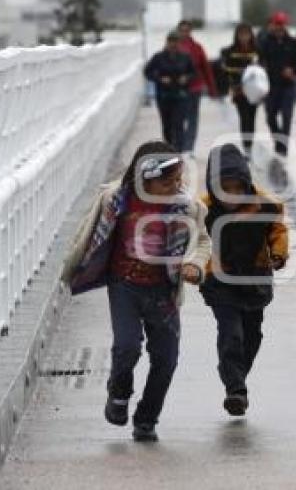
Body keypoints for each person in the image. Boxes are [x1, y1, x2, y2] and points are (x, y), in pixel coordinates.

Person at [61, 141, 210, 442]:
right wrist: (74, 266)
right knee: (127, 345)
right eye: (167, 181)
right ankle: (119, 392)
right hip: (124, 286)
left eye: (178, 179)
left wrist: (195, 265)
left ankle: (147, 418)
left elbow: (203, 242)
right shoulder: (114, 201)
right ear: (145, 178)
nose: (175, 186)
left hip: (163, 291)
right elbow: (86, 234)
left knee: (166, 358)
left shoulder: (186, 208)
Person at [199, 143, 288, 416]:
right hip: (219, 279)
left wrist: (278, 253)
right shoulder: (202, 209)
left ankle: (233, 373)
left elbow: (277, 230)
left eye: (237, 187)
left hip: (255, 279)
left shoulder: (266, 204)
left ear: (246, 183)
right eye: (224, 188)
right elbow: (192, 239)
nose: (232, 195)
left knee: (252, 335)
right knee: (231, 334)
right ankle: (236, 389)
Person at [257, 11, 296, 156]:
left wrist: (294, 71)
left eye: (281, 24)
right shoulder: (265, 43)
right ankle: (277, 138)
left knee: (286, 115)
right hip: (271, 86)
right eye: (277, 24)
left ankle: (283, 145)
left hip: (287, 86)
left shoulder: (293, 43)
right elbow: (259, 61)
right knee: (270, 116)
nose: (279, 27)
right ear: (273, 25)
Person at [144, 31, 195, 151]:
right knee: (167, 125)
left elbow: (194, 73)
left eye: (175, 41)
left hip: (181, 95)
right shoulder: (158, 57)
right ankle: (168, 148)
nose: (173, 44)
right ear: (167, 42)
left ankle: (179, 151)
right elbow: (147, 72)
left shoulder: (185, 57)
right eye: (171, 41)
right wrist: (160, 79)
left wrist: (186, 78)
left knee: (178, 123)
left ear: (179, 43)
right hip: (164, 96)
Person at [177, 20, 217, 157]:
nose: (184, 33)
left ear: (190, 31)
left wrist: (211, 88)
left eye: (186, 30)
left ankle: (189, 148)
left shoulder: (197, 48)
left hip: (195, 88)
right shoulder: (174, 47)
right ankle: (180, 145)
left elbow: (206, 68)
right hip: (178, 90)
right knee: (179, 118)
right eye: (181, 30)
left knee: (193, 118)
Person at [220, 23, 260, 157]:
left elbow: (261, 71)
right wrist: (235, 87)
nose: (244, 37)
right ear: (237, 36)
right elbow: (227, 73)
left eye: (246, 34)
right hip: (239, 92)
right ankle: (246, 147)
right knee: (244, 118)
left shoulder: (256, 50)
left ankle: (250, 144)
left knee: (252, 118)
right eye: (241, 34)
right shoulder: (230, 52)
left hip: (254, 91)